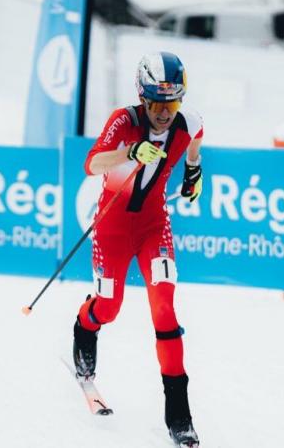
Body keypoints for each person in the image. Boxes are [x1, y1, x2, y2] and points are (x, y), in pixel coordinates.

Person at [72, 51, 203, 448]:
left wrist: (194, 172)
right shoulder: (123, 121)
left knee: (164, 305)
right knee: (108, 307)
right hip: (113, 227)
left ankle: (178, 414)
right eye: (157, 103)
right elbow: (92, 164)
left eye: (173, 103)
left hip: (152, 226)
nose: (165, 113)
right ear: (143, 98)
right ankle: (84, 326)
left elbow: (195, 141)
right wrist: (129, 153)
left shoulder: (189, 122)